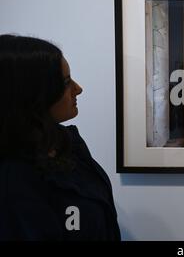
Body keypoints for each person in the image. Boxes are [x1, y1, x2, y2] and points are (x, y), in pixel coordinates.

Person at [0, 35, 121, 240]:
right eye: (66, 82)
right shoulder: (13, 181)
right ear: (33, 93)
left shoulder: (67, 144)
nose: (78, 89)